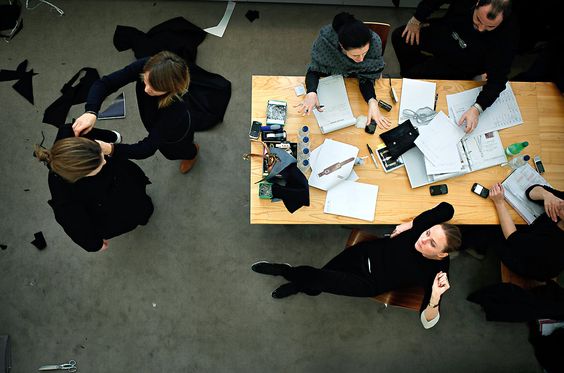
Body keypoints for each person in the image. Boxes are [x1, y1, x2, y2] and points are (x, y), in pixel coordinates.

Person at [252, 202, 462, 328]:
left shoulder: (437, 273)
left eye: (432, 243)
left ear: (442, 254)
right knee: (318, 281)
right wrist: (411, 225)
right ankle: (301, 284)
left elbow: (428, 322)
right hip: (362, 253)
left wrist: (435, 297)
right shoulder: (426, 228)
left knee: (318, 279)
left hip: (366, 282)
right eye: (427, 233)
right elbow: (447, 209)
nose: (423, 239)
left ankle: (285, 271)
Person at [391, 0, 517, 133]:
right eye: (478, 20)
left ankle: (417, 74)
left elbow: (498, 79)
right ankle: (410, 74)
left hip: (468, 60)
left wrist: (477, 108)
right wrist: (417, 19)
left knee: (419, 75)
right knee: (400, 37)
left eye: (490, 27)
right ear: (477, 3)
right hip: (448, 31)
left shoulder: (509, 32)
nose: (480, 29)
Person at [72, 51, 199, 174]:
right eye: (145, 80)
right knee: (154, 130)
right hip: (151, 116)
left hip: (175, 132)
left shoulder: (176, 108)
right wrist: (90, 112)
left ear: (171, 89)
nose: (146, 89)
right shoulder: (146, 66)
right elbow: (105, 83)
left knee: (174, 151)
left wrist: (111, 149)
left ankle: (192, 153)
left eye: (155, 88)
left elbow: (147, 148)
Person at [35, 124, 154, 252]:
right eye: (99, 164)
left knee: (138, 193)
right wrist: (95, 244)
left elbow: (88, 131)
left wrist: (112, 137)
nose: (105, 161)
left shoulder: (71, 135)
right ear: (82, 174)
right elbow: (75, 225)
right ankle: (142, 216)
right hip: (109, 207)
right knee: (138, 212)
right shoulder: (63, 196)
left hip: (121, 178)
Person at [301, 12, 391, 129]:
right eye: (355, 55)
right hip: (331, 76)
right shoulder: (326, 42)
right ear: (342, 47)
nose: (361, 59)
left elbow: (367, 77)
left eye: (364, 53)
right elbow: (314, 70)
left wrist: (372, 101)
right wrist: (311, 91)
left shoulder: (375, 43)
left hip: (353, 85)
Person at [488, 182, 564, 281]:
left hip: (525, 261)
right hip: (530, 234)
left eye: (563, 207)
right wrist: (547, 195)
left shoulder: (553, 247)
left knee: (490, 228)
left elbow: (513, 239)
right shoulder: (561, 202)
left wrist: (499, 202)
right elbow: (530, 191)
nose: (561, 202)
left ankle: (478, 248)